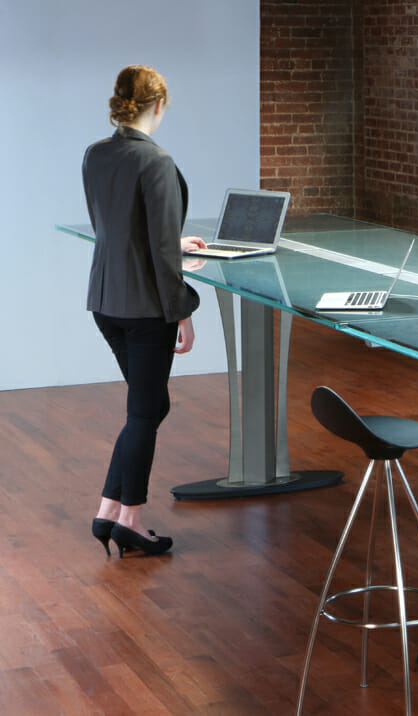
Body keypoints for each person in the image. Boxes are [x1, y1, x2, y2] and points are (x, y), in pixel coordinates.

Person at [83, 65, 206, 557]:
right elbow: (158, 251)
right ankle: (129, 518)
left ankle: (107, 511)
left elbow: (113, 224)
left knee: (149, 406)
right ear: (160, 105)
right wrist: (182, 312)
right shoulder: (156, 162)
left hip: (106, 300)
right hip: (145, 308)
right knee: (144, 410)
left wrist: (169, 241)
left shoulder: (96, 154)